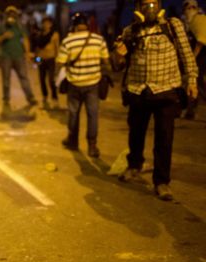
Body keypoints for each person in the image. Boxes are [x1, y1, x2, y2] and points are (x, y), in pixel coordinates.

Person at [112, 0, 198, 201]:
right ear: (138, 9)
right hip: (138, 90)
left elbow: (187, 54)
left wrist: (192, 80)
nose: (149, 9)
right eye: (145, 5)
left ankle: (161, 182)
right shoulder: (129, 31)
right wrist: (118, 54)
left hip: (167, 89)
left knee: (164, 138)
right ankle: (134, 166)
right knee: (136, 133)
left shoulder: (172, 25)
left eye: (153, 4)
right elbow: (118, 65)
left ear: (159, 6)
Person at [56, 13, 110, 158]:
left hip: (75, 83)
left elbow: (60, 62)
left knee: (73, 113)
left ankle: (73, 141)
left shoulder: (68, 41)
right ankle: (92, 146)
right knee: (92, 115)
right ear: (87, 25)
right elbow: (106, 61)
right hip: (93, 83)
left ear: (74, 25)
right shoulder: (99, 40)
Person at [0, 6, 38, 113]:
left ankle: (30, 97)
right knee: (6, 80)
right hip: (5, 57)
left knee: (24, 77)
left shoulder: (20, 27)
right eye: (9, 13)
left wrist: (27, 53)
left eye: (13, 13)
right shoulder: (2, 27)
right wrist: (4, 37)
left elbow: (25, 39)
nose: (11, 15)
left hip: (19, 56)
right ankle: (6, 100)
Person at [183, 0, 206, 119]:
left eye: (193, 7)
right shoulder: (190, 22)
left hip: (201, 56)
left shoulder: (199, 20)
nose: (191, 9)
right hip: (199, 57)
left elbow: (201, 41)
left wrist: (192, 57)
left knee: (198, 83)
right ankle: (190, 110)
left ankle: (191, 110)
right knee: (194, 83)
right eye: (188, 7)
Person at [34, 16, 60, 110]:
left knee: (51, 80)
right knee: (41, 80)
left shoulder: (54, 35)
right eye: (44, 23)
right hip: (41, 59)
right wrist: (36, 59)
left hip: (51, 59)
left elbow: (57, 48)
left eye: (47, 23)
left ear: (51, 24)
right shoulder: (40, 34)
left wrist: (58, 62)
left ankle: (54, 98)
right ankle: (44, 97)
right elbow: (37, 48)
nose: (45, 25)